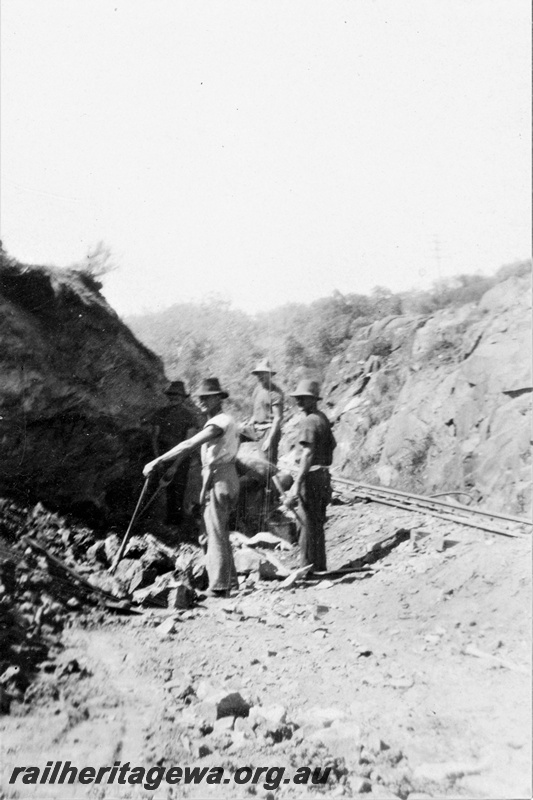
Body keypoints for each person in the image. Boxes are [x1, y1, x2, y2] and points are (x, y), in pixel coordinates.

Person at [143, 378, 239, 597]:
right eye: (201, 398)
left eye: (208, 398)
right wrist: (204, 489)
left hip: (221, 477)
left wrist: (158, 461)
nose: (203, 401)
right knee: (215, 532)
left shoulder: (219, 422)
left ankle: (219, 587)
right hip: (221, 476)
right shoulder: (221, 420)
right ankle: (230, 582)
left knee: (214, 533)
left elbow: (189, 444)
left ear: (219, 398)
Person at [285, 379, 336, 573]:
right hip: (323, 475)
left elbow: (307, 453)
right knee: (317, 523)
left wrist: (297, 482)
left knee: (305, 524)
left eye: (303, 398)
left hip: (311, 477)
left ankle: (306, 568)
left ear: (313, 400)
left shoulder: (308, 421)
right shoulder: (322, 418)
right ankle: (319, 566)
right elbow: (332, 445)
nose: (299, 401)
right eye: (297, 398)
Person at [144, 381, 199, 526]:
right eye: (172, 395)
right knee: (152, 489)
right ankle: (146, 523)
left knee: (176, 493)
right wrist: (158, 460)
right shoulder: (160, 413)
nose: (175, 398)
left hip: (180, 460)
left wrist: (175, 465)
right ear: (168, 396)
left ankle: (174, 527)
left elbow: (188, 443)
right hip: (161, 456)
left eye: (178, 395)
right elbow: (155, 437)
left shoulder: (189, 416)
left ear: (183, 397)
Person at [249, 359, 284, 466]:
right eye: (258, 374)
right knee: (261, 462)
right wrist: (252, 421)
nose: (260, 376)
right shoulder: (258, 389)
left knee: (268, 465)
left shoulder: (275, 393)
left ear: (269, 374)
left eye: (263, 373)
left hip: (269, 431)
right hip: (258, 430)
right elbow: (257, 409)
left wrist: (269, 439)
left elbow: (278, 418)